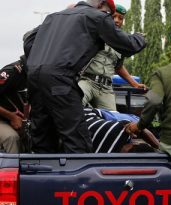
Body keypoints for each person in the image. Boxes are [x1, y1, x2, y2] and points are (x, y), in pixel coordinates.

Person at [25, 0, 147, 153]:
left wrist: (41, 62)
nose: (110, 20)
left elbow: (29, 40)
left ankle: (46, 174)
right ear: (101, 5)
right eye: (109, 14)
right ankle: (80, 176)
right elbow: (129, 46)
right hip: (61, 78)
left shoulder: (53, 17)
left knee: (42, 137)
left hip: (34, 78)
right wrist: (139, 37)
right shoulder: (97, 16)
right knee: (78, 140)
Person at [78, 4, 146, 111]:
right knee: (74, 107)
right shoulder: (95, 32)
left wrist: (134, 84)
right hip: (87, 81)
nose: (117, 20)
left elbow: (118, 67)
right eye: (114, 17)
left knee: (114, 118)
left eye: (121, 18)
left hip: (106, 88)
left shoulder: (122, 41)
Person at [0, 57, 27, 153]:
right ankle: (13, 167)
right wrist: (12, 117)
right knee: (11, 138)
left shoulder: (40, 72)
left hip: (23, 120)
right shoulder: (11, 72)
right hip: (3, 119)